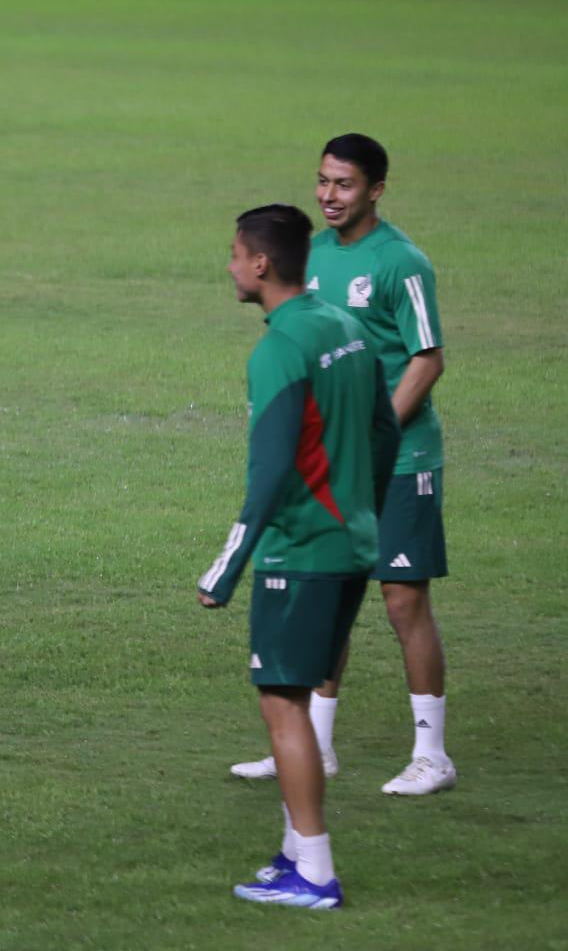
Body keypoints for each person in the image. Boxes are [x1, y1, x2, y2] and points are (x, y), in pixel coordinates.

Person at [230, 135, 455, 796]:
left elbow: (427, 358)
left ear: (376, 190)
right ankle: (316, 746)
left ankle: (432, 753)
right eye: (323, 182)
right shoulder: (311, 257)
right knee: (327, 595)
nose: (329, 195)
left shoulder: (402, 262)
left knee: (403, 599)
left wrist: (369, 425)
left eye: (345, 185)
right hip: (338, 465)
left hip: (404, 454)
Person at [198, 204, 400, 909]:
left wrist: (226, 569)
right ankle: (292, 857)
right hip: (353, 543)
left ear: (260, 263)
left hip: (303, 550)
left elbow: (271, 468)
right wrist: (364, 509)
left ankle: (314, 872)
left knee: (281, 703)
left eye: (234, 253)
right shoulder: (345, 326)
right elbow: (384, 428)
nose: (228, 265)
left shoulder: (280, 347)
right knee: (298, 700)